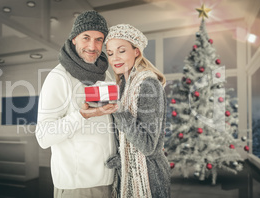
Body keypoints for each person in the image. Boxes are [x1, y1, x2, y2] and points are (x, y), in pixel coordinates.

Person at [35, 10, 118, 198]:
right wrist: (82, 116)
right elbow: (43, 136)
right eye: (86, 37)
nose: (92, 46)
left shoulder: (105, 74)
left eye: (99, 39)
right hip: (79, 186)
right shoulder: (59, 77)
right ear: (74, 38)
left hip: (108, 180)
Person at [104, 24, 171, 198]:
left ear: (137, 52)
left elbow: (148, 146)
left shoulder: (148, 84)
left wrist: (118, 111)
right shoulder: (123, 86)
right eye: (110, 53)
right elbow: (129, 138)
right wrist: (122, 160)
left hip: (149, 178)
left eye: (121, 51)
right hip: (128, 174)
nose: (114, 58)